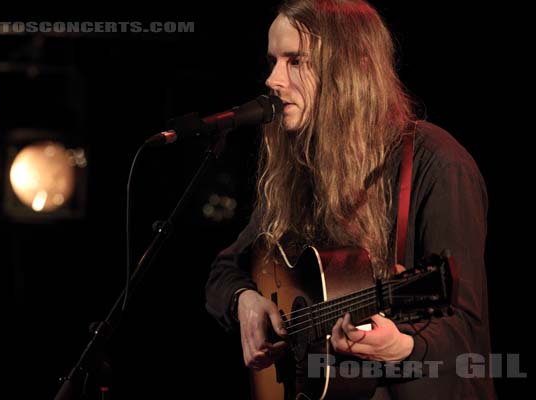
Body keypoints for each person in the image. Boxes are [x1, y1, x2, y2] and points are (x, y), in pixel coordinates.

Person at [205, 0, 496, 398]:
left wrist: (404, 345)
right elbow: (224, 272)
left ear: (350, 69)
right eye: (273, 61)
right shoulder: (302, 168)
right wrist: (245, 301)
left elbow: (465, 329)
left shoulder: (440, 164)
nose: (272, 79)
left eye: (296, 61)